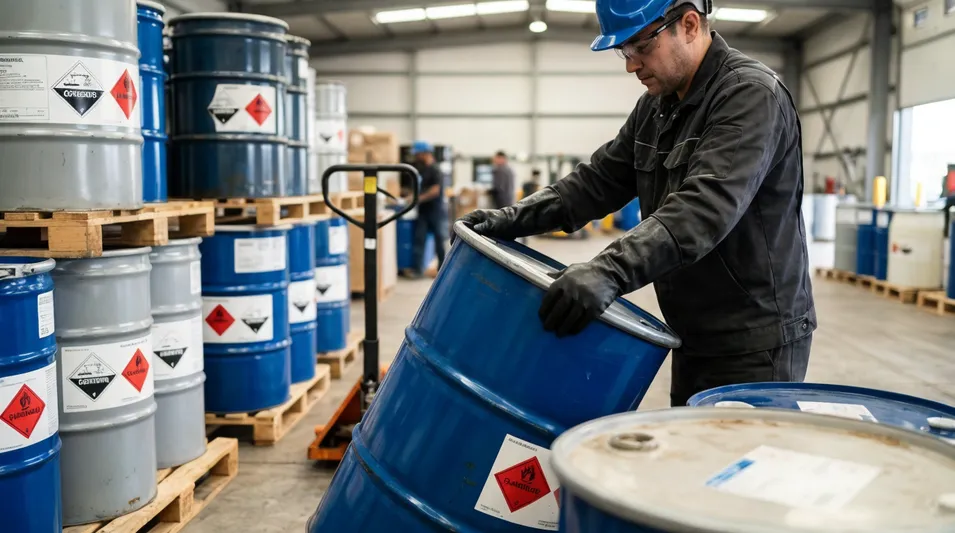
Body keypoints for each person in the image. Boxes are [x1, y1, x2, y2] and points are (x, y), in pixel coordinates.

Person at [458, 0, 815, 407]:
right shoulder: (658, 107)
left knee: (736, 466)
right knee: (690, 458)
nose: (631, 65)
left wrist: (608, 271)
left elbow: (704, 208)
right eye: (624, 52)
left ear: (690, 24)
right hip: (693, 330)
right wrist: (510, 219)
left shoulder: (749, 95)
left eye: (641, 47)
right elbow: (596, 182)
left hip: (754, 340)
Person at [405, 141, 448, 278]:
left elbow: (435, 190)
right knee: (419, 240)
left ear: (425, 153)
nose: (416, 157)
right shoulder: (423, 169)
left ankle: (442, 270)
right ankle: (418, 271)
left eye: (418, 154)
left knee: (439, 242)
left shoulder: (435, 169)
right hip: (423, 211)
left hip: (435, 211)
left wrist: (417, 199)